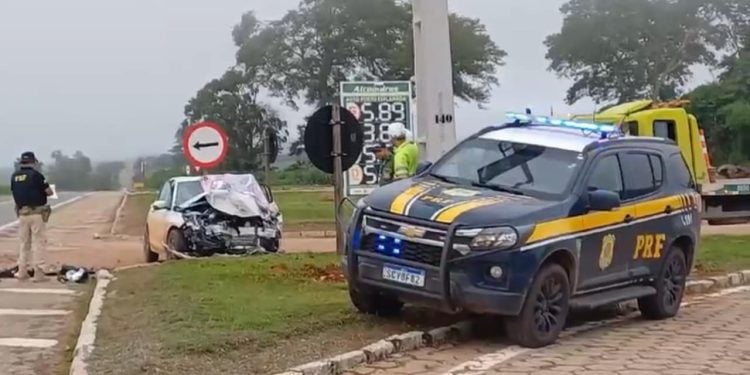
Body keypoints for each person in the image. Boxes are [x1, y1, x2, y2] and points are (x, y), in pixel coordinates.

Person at [10, 152, 53, 282]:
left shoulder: (14, 176)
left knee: (24, 244)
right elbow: (49, 192)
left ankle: (22, 271)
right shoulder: (36, 175)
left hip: (22, 213)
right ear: (33, 162)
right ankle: (39, 274)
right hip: (36, 213)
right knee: (39, 243)